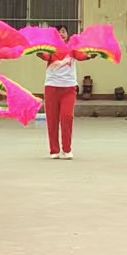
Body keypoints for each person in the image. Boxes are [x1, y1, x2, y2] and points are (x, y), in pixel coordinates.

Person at [39, 26, 80, 159]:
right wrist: (38, 52)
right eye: (58, 32)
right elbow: (45, 56)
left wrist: (92, 54)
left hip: (69, 88)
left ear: (67, 34)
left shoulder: (72, 48)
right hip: (51, 87)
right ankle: (54, 150)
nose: (61, 34)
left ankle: (67, 149)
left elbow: (81, 56)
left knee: (67, 117)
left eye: (63, 31)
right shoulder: (50, 48)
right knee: (52, 119)